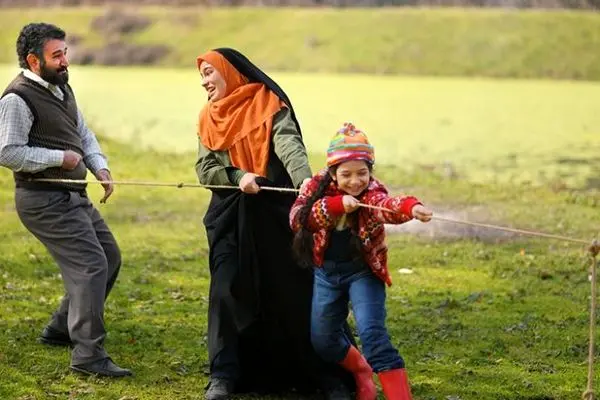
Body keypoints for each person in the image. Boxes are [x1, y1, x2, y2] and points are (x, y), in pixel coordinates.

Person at [195, 48, 354, 400]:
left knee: (298, 289)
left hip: (276, 211)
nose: (205, 82)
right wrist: (237, 176)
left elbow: (290, 148)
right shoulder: (208, 117)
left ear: (231, 71)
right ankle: (223, 375)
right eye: (202, 76)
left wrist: (307, 189)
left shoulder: (269, 103)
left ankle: (326, 373)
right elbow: (205, 169)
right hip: (230, 215)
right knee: (225, 288)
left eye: (209, 72)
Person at [0, 23, 131, 377]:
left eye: (65, 52)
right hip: (42, 200)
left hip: (73, 195)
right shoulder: (16, 98)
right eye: (56, 55)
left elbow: (82, 133)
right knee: (91, 266)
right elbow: (8, 152)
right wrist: (59, 159)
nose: (64, 60)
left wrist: (99, 167)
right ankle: (88, 356)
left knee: (110, 257)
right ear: (33, 59)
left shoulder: (62, 87)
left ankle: (60, 328)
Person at [290, 123, 433, 400]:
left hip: (363, 273)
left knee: (373, 335)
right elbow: (298, 219)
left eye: (362, 173)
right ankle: (362, 371)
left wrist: (412, 208)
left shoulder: (370, 192)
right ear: (333, 173)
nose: (355, 181)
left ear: (370, 171)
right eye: (346, 175)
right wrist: (335, 205)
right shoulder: (316, 189)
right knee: (323, 341)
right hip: (326, 275)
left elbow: (387, 205)